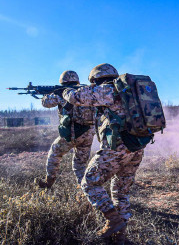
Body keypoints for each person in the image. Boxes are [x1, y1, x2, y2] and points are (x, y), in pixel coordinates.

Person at [63, 63, 155, 243]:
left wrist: (65, 91)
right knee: (121, 191)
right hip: (137, 147)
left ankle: (112, 220)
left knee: (89, 182)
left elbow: (75, 97)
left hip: (117, 149)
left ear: (96, 79)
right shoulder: (127, 90)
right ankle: (120, 236)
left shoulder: (107, 90)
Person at [35, 70, 94, 189]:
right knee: (80, 164)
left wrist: (53, 94)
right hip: (88, 134)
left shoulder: (63, 93)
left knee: (54, 153)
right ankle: (86, 189)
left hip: (71, 133)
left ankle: (48, 182)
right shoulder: (85, 92)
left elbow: (45, 103)